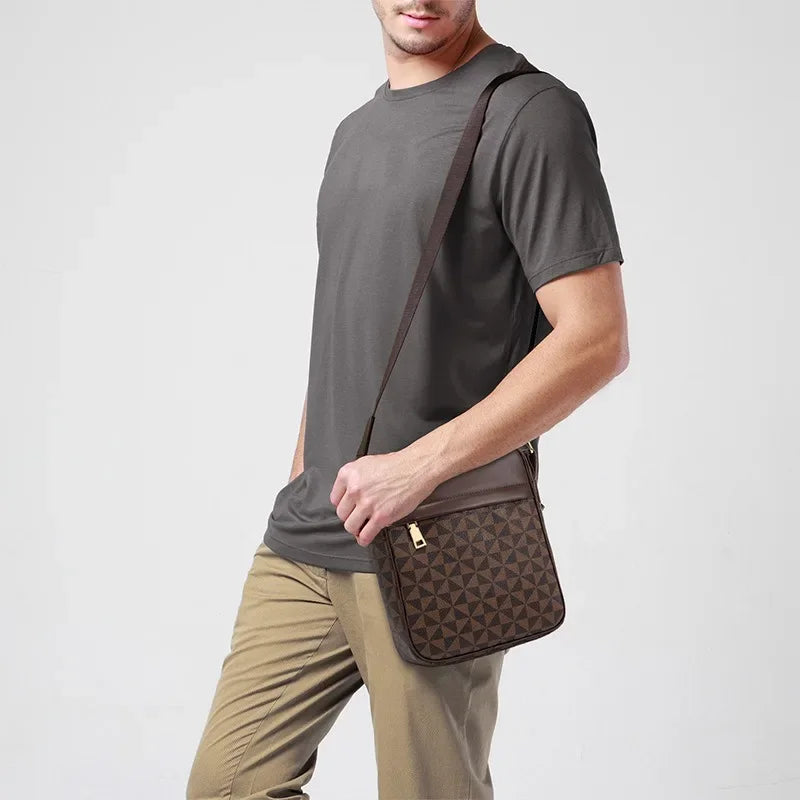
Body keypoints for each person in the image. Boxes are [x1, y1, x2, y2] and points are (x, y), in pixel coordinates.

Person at [186, 2, 629, 798]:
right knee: (227, 785)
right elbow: (352, 320)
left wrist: (416, 469)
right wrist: (305, 471)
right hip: (310, 535)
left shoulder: (530, 113)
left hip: (440, 542)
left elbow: (596, 339)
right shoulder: (354, 132)